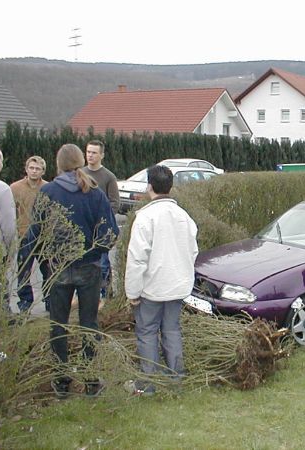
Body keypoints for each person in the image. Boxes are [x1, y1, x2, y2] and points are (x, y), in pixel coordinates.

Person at [29, 144, 118, 398]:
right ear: (81, 161)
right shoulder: (94, 193)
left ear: (58, 164)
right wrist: (94, 254)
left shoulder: (47, 192)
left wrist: (44, 263)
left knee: (58, 324)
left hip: (57, 268)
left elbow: (36, 234)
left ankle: (61, 380)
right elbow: (110, 233)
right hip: (88, 267)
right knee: (89, 324)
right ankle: (91, 380)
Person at [124, 165, 198, 394]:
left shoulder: (146, 217)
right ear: (170, 187)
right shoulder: (184, 216)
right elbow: (193, 251)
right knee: (172, 330)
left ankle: (147, 384)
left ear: (149, 187)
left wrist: (132, 293)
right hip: (177, 287)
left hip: (152, 290)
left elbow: (137, 259)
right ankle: (176, 379)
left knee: (147, 332)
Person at [10, 156, 49, 312]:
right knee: (24, 270)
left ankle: (49, 299)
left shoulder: (48, 188)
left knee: (47, 269)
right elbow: (11, 211)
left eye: (37, 168)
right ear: (26, 169)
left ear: (43, 171)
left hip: (44, 236)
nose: (34, 171)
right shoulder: (15, 188)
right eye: (31, 168)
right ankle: (25, 300)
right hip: (24, 235)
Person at [82, 140, 119, 300]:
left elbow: (115, 203)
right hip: (83, 229)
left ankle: (103, 294)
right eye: (88, 152)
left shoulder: (108, 177)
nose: (90, 155)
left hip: (101, 230)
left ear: (101, 155)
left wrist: (102, 220)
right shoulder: (80, 174)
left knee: (102, 263)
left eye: (94, 152)